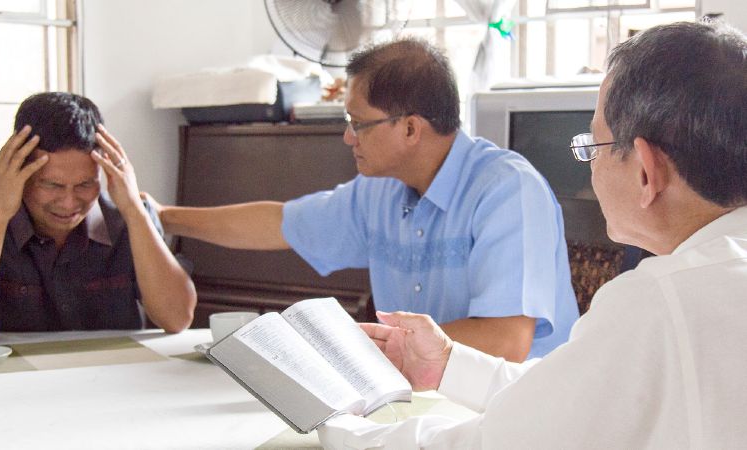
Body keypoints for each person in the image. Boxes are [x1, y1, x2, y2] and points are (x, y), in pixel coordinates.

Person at [318, 20, 747, 448]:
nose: (590, 167)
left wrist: (340, 429)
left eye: (592, 146)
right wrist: (447, 365)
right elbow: (570, 393)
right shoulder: (711, 278)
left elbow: (497, 442)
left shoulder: (658, 300)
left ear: (645, 170)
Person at [152, 39, 579, 361]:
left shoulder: (507, 191)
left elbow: (506, 342)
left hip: (513, 411)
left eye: (358, 124)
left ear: (411, 129)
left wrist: (360, 345)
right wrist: (161, 217)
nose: (347, 137)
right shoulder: (380, 189)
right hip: (421, 400)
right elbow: (280, 224)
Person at [0, 92, 196, 337]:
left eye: (84, 184)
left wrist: (134, 210)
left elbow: (177, 318)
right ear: (18, 170)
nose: (69, 202)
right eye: (51, 184)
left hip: (106, 385)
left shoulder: (128, 216)